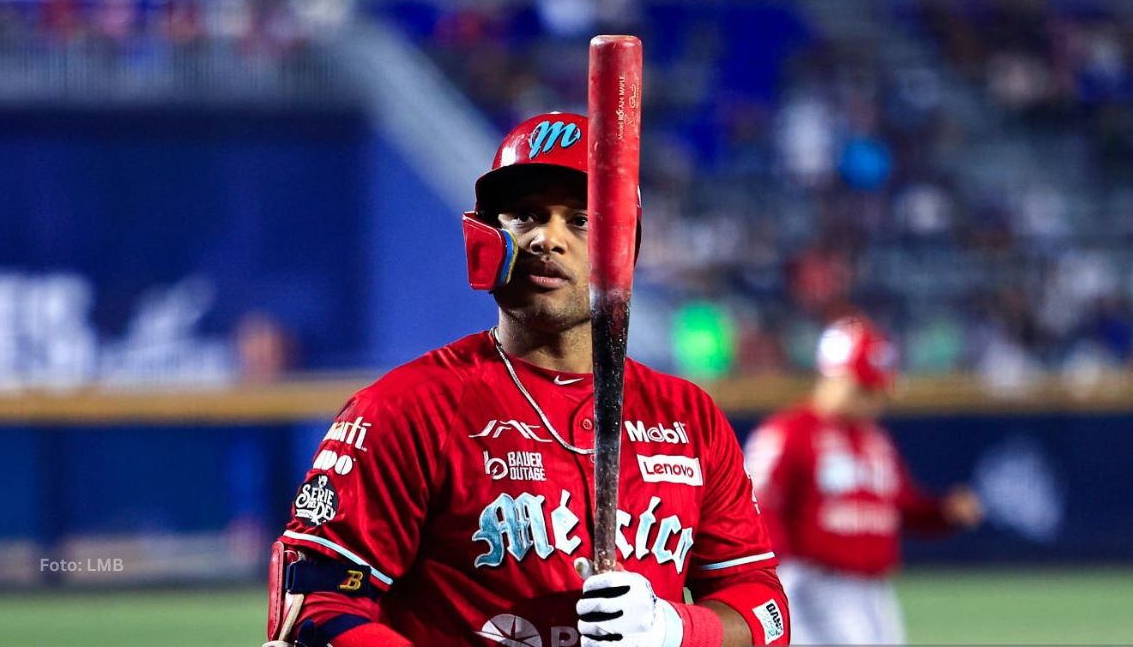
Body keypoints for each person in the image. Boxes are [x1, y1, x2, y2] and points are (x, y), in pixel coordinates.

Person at [267, 113, 789, 647]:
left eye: (581, 220)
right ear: (488, 238)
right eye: (525, 216)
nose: (548, 239)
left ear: (624, 247)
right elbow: (314, 604)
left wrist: (675, 628)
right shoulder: (404, 409)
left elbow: (763, 606)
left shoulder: (687, 415)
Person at [744, 316, 983, 645]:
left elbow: (900, 507)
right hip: (813, 583)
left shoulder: (876, 441)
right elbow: (756, 506)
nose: (873, 399)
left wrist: (942, 513)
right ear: (834, 375)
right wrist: (773, 576)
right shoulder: (788, 433)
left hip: (872, 589)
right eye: (864, 388)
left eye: (877, 389)